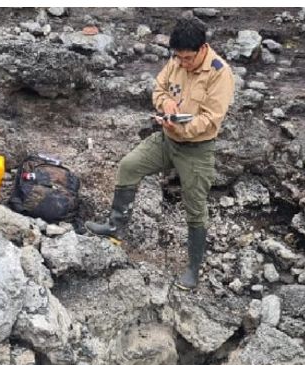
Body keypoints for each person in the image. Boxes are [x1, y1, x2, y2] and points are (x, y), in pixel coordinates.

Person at [85, 16, 236, 290]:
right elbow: (160, 87)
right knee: (129, 166)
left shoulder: (219, 73)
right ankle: (115, 226)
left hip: (197, 150)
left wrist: (182, 128)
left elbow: (211, 120)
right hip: (167, 139)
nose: (182, 63)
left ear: (203, 49)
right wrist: (166, 103)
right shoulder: (177, 60)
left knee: (195, 207)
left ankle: (193, 268)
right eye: (178, 57)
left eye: (188, 58)